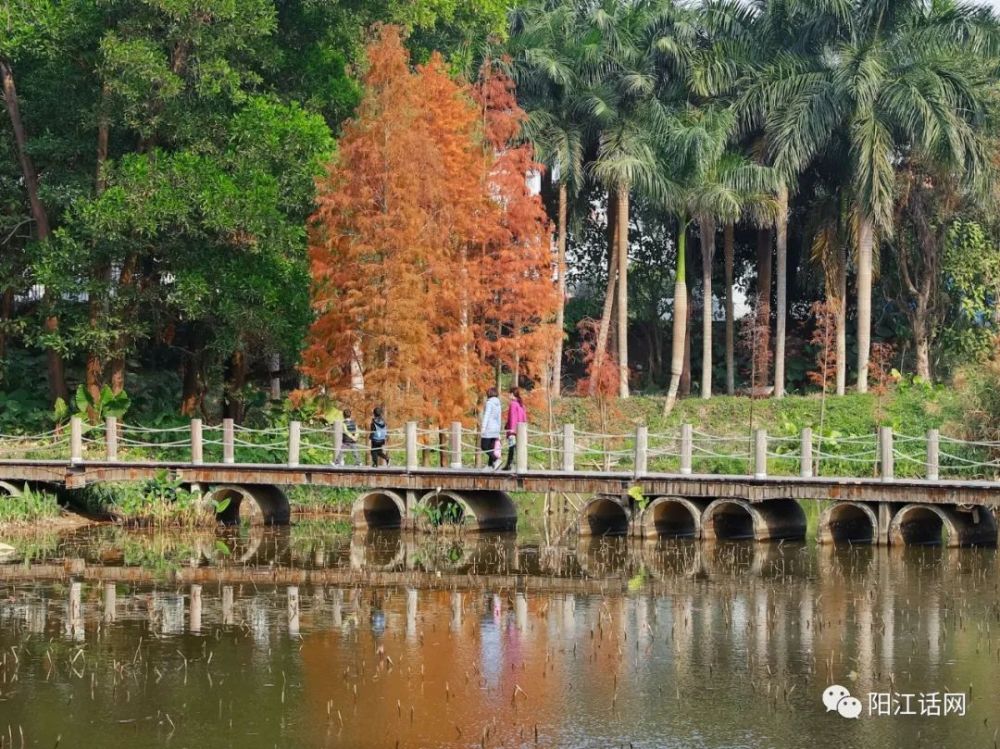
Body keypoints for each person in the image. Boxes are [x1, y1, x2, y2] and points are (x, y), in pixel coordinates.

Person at [502, 387, 527, 471]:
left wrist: (511, 430)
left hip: (513, 429)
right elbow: (524, 417)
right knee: (519, 447)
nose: (508, 395)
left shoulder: (513, 404)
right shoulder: (521, 404)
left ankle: (509, 464)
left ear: (512, 394)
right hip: (521, 429)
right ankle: (524, 464)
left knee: (511, 447)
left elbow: (512, 417)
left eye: (509, 393)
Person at [480, 387, 502, 469]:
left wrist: (483, 427)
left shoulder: (489, 403)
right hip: (495, 428)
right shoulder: (498, 404)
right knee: (491, 447)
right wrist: (498, 431)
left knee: (484, 446)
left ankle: (496, 460)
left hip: (489, 428)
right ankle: (489, 465)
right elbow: (499, 418)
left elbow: (486, 416)